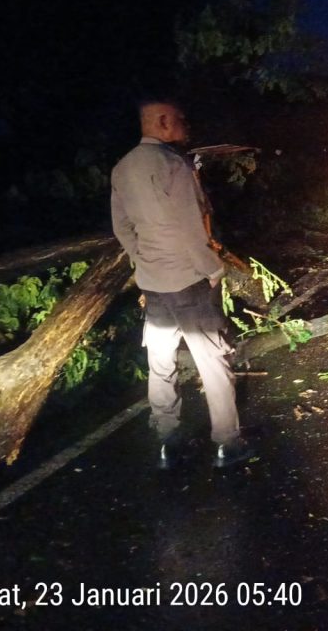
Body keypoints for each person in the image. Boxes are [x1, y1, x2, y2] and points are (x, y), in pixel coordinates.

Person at [111, 99, 249, 470]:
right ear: (162, 121)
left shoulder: (122, 169)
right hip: (187, 279)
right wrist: (213, 268)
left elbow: (121, 227)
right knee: (212, 360)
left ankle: (169, 441)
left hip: (153, 281)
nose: (185, 125)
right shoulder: (174, 166)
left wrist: (143, 259)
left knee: (161, 362)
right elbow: (191, 226)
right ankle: (228, 442)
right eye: (180, 120)